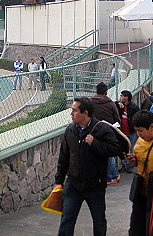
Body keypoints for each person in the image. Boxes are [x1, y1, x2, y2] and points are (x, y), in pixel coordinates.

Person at [55, 97, 120, 236]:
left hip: (95, 185)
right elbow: (64, 158)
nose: (71, 114)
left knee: (99, 221)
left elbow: (115, 149)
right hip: (73, 184)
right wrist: (59, 182)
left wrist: (95, 143)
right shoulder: (70, 130)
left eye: (74, 110)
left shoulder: (102, 129)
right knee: (67, 219)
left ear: (85, 113)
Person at [89, 82, 121, 184]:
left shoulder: (90, 102)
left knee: (95, 153)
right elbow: (117, 118)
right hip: (108, 130)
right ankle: (110, 176)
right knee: (109, 154)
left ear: (96, 91)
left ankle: (100, 175)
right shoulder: (109, 103)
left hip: (94, 130)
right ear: (106, 92)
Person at [117, 90, 140, 173]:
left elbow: (138, 117)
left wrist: (135, 128)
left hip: (131, 132)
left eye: (121, 96)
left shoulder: (134, 107)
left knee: (132, 149)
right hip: (122, 132)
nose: (120, 98)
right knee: (122, 149)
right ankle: (124, 164)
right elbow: (112, 103)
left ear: (126, 97)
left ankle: (130, 165)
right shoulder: (120, 107)